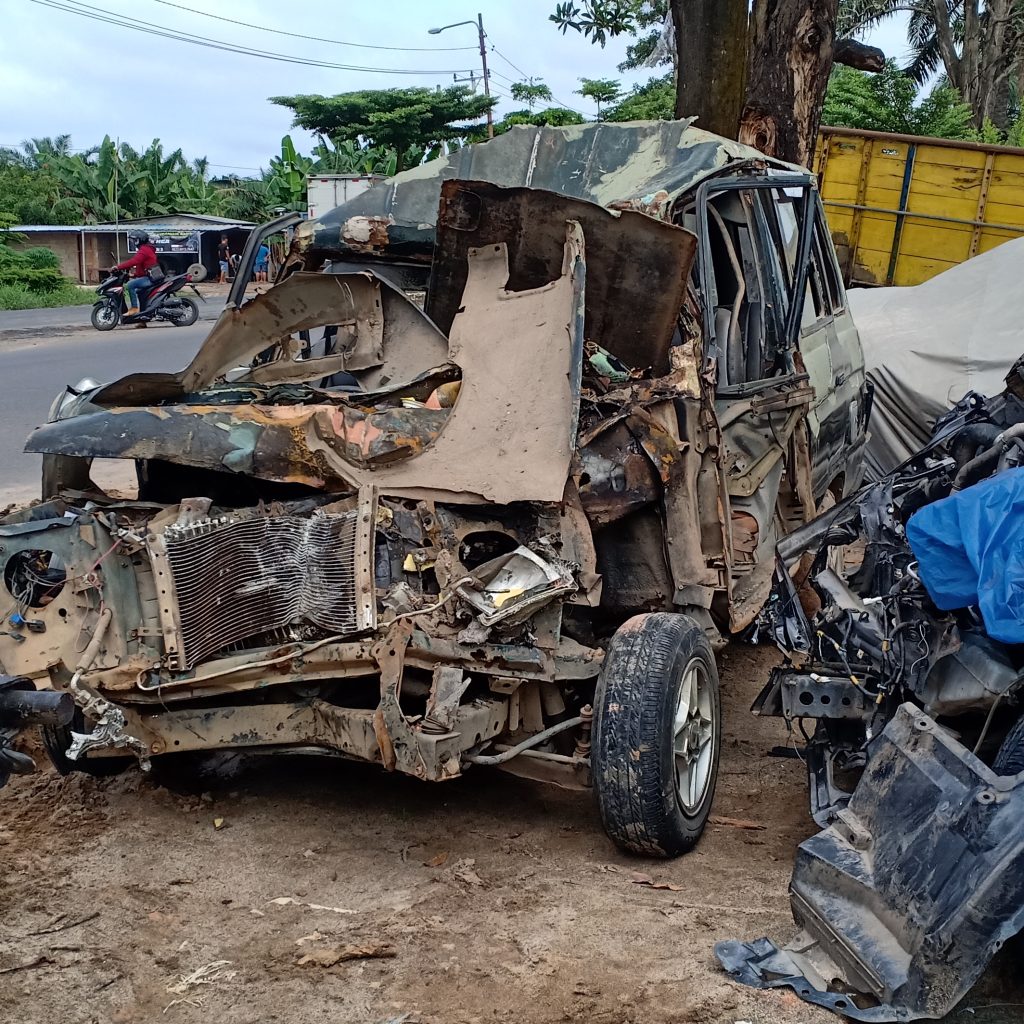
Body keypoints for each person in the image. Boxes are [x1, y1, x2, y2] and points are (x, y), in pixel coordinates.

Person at [114, 231, 159, 317]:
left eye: (135, 240)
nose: (133, 242)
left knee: (130, 285)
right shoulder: (146, 249)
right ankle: (143, 316)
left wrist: (118, 267)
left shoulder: (144, 250)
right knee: (139, 292)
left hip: (150, 278)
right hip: (149, 276)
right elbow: (141, 268)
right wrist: (133, 275)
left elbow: (134, 261)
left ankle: (134, 308)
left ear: (140, 240)